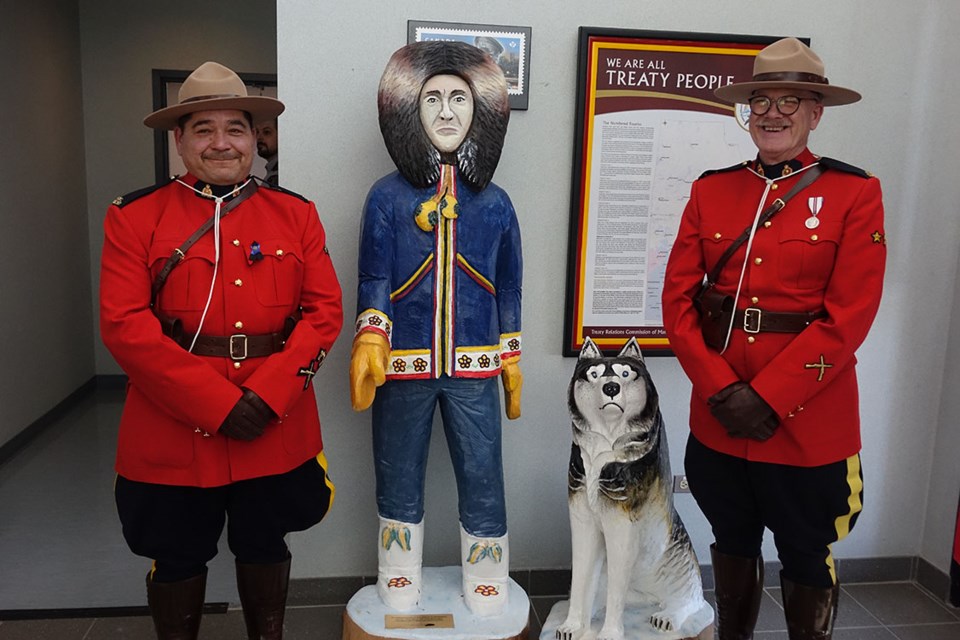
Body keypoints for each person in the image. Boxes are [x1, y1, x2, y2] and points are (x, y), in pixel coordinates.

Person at [99, 61, 343, 640]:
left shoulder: (296, 214)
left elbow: (324, 313)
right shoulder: (134, 219)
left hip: (272, 419)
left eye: (235, 128)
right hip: (173, 424)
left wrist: (268, 393)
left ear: (254, 140)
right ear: (178, 140)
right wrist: (216, 403)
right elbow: (124, 325)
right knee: (177, 552)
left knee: (264, 540)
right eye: (202, 129)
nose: (221, 142)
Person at [662, 38, 885, 639]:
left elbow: (849, 318)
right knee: (730, 540)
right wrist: (721, 390)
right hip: (720, 419)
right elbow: (677, 305)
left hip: (808, 423)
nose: (774, 112)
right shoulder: (712, 190)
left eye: (793, 100)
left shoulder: (853, 193)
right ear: (747, 111)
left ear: (816, 113)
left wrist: (766, 398)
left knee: (807, 554)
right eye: (761, 100)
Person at [349, 41, 522, 616]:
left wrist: (512, 355)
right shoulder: (386, 198)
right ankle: (398, 570)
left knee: (482, 467)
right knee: (397, 465)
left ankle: (488, 570)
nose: (447, 113)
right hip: (402, 364)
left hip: (475, 365)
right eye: (432, 100)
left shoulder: (496, 205)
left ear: (481, 113)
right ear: (408, 112)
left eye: (458, 99)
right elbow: (372, 273)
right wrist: (371, 337)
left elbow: (511, 284)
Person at [257, 118, 279, 185]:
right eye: (257, 132)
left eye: (266, 132)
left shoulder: (283, 171)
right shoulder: (272, 169)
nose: (259, 137)